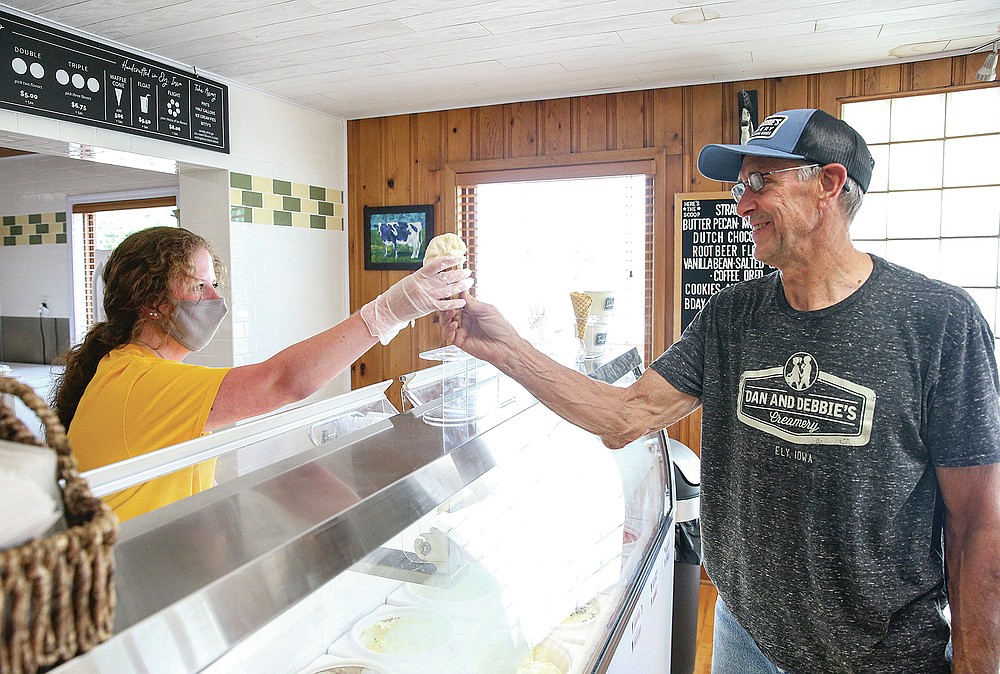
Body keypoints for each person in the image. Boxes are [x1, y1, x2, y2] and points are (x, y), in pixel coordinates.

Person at [442, 109, 1000, 673]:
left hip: (879, 655)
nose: (741, 204)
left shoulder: (937, 321)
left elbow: (979, 519)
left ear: (828, 184)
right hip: (745, 633)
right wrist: (507, 350)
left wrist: (977, 665)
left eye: (761, 182)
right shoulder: (733, 315)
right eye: (739, 185)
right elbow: (625, 416)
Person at [54, 226, 471, 522]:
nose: (216, 299)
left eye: (214, 284)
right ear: (151, 302)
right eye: (199, 287)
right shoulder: (138, 383)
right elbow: (282, 381)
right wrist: (387, 312)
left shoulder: (137, 371)